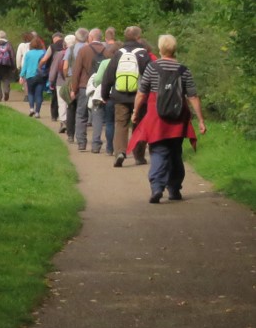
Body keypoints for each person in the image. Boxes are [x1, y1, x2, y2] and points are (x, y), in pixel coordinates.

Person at [127, 34, 206, 203]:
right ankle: (174, 189)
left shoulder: (152, 67)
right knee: (175, 152)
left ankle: (157, 187)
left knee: (158, 151)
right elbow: (192, 96)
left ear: (160, 49)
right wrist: (200, 120)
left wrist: (135, 112)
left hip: (157, 118)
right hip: (178, 117)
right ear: (174, 49)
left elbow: (141, 93)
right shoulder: (184, 70)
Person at [100, 25, 153, 167]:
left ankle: (120, 152)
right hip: (139, 97)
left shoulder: (119, 53)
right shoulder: (143, 54)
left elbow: (108, 76)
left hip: (120, 96)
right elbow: (151, 75)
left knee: (121, 124)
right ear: (138, 37)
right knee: (139, 125)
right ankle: (139, 156)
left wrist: (105, 94)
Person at [69, 28, 106, 153]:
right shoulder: (108, 51)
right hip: (100, 88)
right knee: (97, 116)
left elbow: (76, 71)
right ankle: (96, 144)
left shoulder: (84, 50)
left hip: (84, 86)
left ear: (90, 37)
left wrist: (74, 89)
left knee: (81, 115)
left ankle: (81, 142)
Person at [19, 34, 49, 118]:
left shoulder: (28, 54)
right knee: (39, 94)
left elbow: (25, 66)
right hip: (40, 75)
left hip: (30, 76)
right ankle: (37, 112)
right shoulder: (44, 52)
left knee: (30, 93)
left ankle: (31, 109)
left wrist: (21, 76)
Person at [51, 34, 75, 133]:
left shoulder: (60, 54)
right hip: (74, 81)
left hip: (61, 80)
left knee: (62, 103)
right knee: (72, 102)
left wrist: (51, 80)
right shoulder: (79, 51)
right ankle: (71, 121)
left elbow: (54, 68)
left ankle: (64, 121)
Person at [47, 32, 64, 121]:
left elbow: (46, 58)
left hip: (56, 72)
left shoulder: (52, 47)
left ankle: (54, 115)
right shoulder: (67, 46)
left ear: (55, 38)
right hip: (66, 74)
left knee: (54, 96)